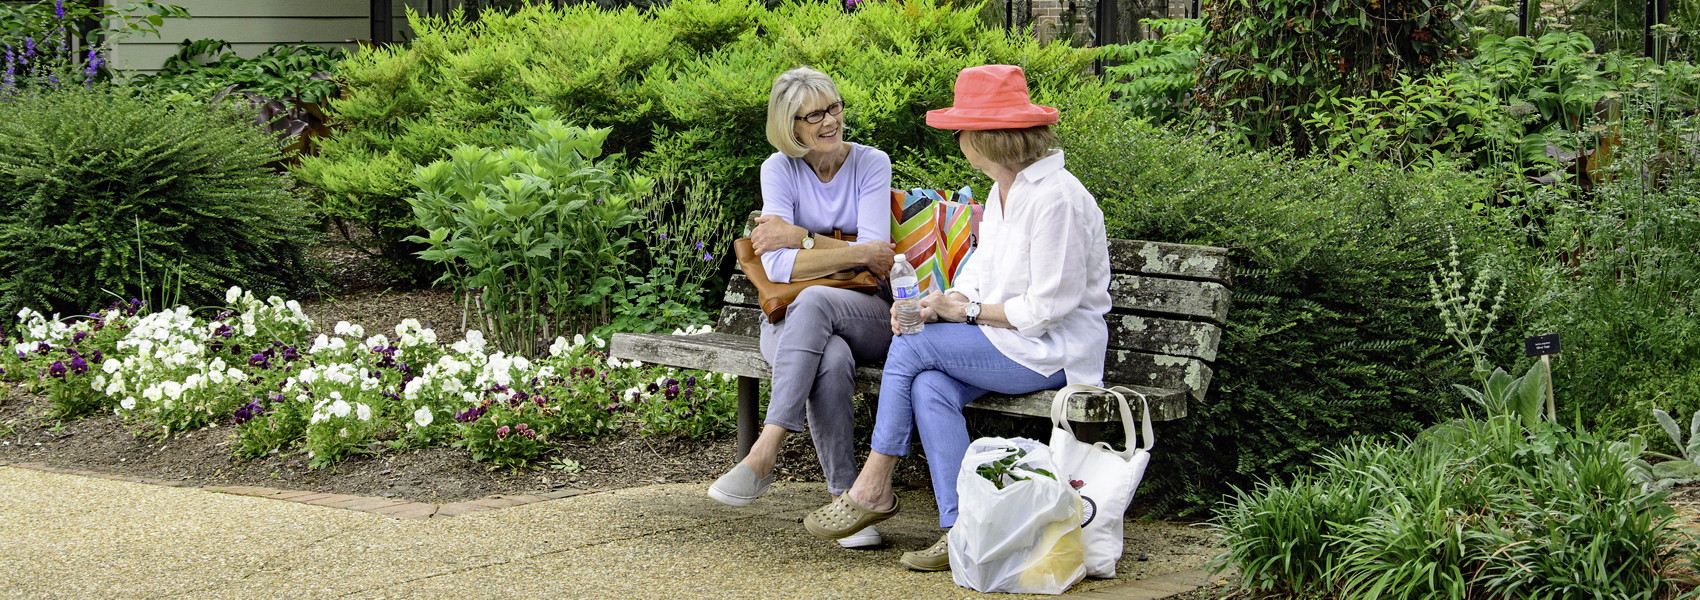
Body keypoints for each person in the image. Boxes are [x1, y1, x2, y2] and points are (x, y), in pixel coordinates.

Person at [798, 64, 1112, 571]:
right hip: (1007, 342)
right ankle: (961, 529)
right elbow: (981, 268)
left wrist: (961, 312)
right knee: (929, 387)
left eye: (963, 131)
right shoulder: (1004, 188)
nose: (959, 140)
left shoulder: (1058, 200)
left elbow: (1047, 309)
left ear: (987, 138)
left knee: (914, 344)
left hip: (1052, 350)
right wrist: (941, 301)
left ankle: (874, 484)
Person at [707, 66, 897, 549]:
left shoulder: (872, 163)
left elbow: (877, 260)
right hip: (792, 323)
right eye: (814, 115)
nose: (830, 121)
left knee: (814, 297)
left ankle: (765, 450)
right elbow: (778, 267)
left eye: (834, 107)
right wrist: (843, 250)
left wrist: (803, 240)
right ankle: (847, 503)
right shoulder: (779, 169)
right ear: (790, 128)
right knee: (829, 358)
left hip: (866, 313)